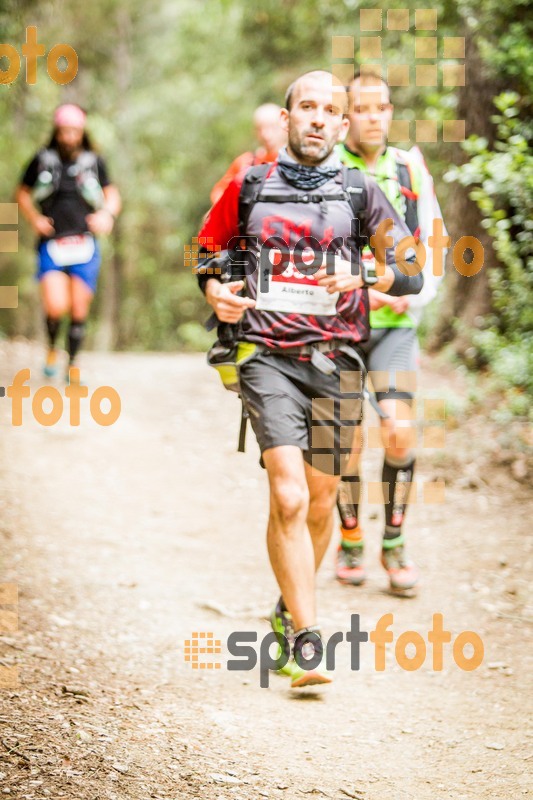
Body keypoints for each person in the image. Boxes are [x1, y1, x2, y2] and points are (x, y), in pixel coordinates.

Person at [196, 70, 424, 688]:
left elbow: (411, 269)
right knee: (289, 495)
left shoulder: (360, 192)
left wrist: (369, 278)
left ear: (343, 125)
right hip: (266, 355)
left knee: (323, 500)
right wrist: (216, 288)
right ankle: (307, 638)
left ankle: (286, 612)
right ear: (289, 118)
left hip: (337, 358)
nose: (318, 118)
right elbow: (206, 250)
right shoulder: (250, 185)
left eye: (330, 110)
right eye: (307, 107)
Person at [335, 71, 447, 593]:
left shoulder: (409, 170)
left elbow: (435, 243)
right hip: (337, 327)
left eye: (383, 107)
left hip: (395, 327)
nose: (375, 116)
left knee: (399, 432)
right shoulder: (330, 167)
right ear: (347, 114)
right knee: (348, 442)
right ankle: (351, 537)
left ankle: (396, 542)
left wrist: (412, 293)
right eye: (363, 108)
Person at [16, 103, 121, 382]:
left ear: (82, 131)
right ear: (57, 131)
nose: (70, 137)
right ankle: (52, 349)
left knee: (78, 307)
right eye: (65, 131)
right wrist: (35, 219)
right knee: (54, 305)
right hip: (52, 243)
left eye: (75, 131)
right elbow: (22, 193)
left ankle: (72, 364)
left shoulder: (94, 161)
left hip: (84, 244)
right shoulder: (42, 159)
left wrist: (106, 215)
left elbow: (113, 196)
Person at [209, 103, 287, 205]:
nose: (266, 134)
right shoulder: (246, 162)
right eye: (260, 129)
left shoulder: (296, 162)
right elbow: (219, 192)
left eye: (272, 127)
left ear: (285, 127)